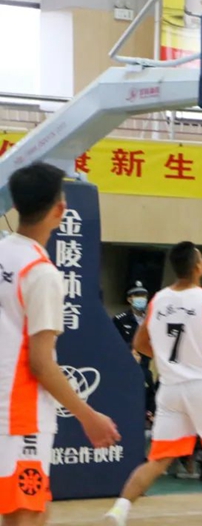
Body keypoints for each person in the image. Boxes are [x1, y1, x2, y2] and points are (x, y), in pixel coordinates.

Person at [1, 163, 120, 526]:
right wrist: (89, 416)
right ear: (59, 210)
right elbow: (41, 362)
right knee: (26, 515)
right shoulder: (41, 272)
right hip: (20, 415)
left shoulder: (4, 252)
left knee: (29, 509)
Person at [105, 242, 202, 526]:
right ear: (198, 266)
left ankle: (120, 509)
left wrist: (167, 360)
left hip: (170, 388)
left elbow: (139, 343)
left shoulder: (158, 300)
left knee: (158, 459)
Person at [113, 281, 149, 351]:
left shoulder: (151, 319)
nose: (141, 298)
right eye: (137, 295)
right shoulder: (120, 320)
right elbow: (115, 342)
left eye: (143, 295)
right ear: (129, 299)